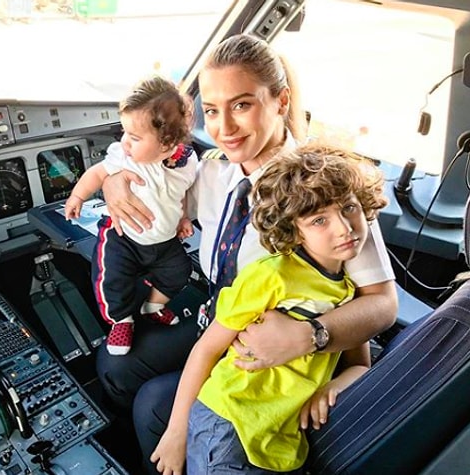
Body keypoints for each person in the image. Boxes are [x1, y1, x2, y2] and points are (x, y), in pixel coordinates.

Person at [99, 34, 398, 473]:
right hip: (220, 315)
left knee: (155, 405)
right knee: (114, 368)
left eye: (242, 105)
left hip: (279, 343)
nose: (224, 128)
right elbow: (162, 197)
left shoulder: (323, 191)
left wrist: (309, 335)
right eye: (213, 111)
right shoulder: (214, 169)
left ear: (280, 101)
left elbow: (383, 304)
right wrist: (114, 180)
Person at [152, 143, 388, 474]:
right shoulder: (270, 276)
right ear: (294, 230)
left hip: (279, 435)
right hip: (229, 423)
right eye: (319, 220)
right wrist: (177, 432)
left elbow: (359, 365)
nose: (344, 228)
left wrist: (333, 387)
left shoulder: (347, 291)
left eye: (349, 208)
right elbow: (207, 349)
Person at [64, 75, 198, 355]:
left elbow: (183, 191)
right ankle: (121, 321)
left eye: (134, 137)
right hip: (125, 236)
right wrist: (78, 196)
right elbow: (98, 173)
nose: (125, 141)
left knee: (180, 271)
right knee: (111, 277)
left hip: (164, 240)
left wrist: (184, 218)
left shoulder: (187, 162)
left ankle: (153, 306)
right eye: (124, 133)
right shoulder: (124, 158)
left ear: (167, 142)